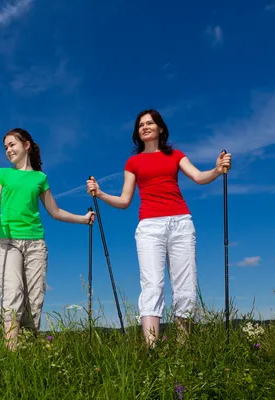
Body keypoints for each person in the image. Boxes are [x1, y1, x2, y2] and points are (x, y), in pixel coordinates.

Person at [86, 109, 231, 347]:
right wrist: (100, 193)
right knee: (152, 284)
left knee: (185, 283)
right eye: (140, 124)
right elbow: (124, 201)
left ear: (160, 128)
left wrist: (217, 169)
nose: (144, 127)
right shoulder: (133, 162)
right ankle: (151, 348)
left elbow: (198, 176)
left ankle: (184, 345)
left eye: (150, 123)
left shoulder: (175, 155)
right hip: (150, 227)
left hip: (181, 223)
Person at [0, 128, 95, 350]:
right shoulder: (1, 174)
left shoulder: (40, 178)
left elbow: (55, 212)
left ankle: (27, 348)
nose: (8, 150)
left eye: (12, 144)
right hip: (7, 240)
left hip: (35, 242)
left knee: (34, 299)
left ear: (26, 145)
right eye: (5, 147)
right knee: (13, 293)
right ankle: (11, 354)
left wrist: (83, 219)